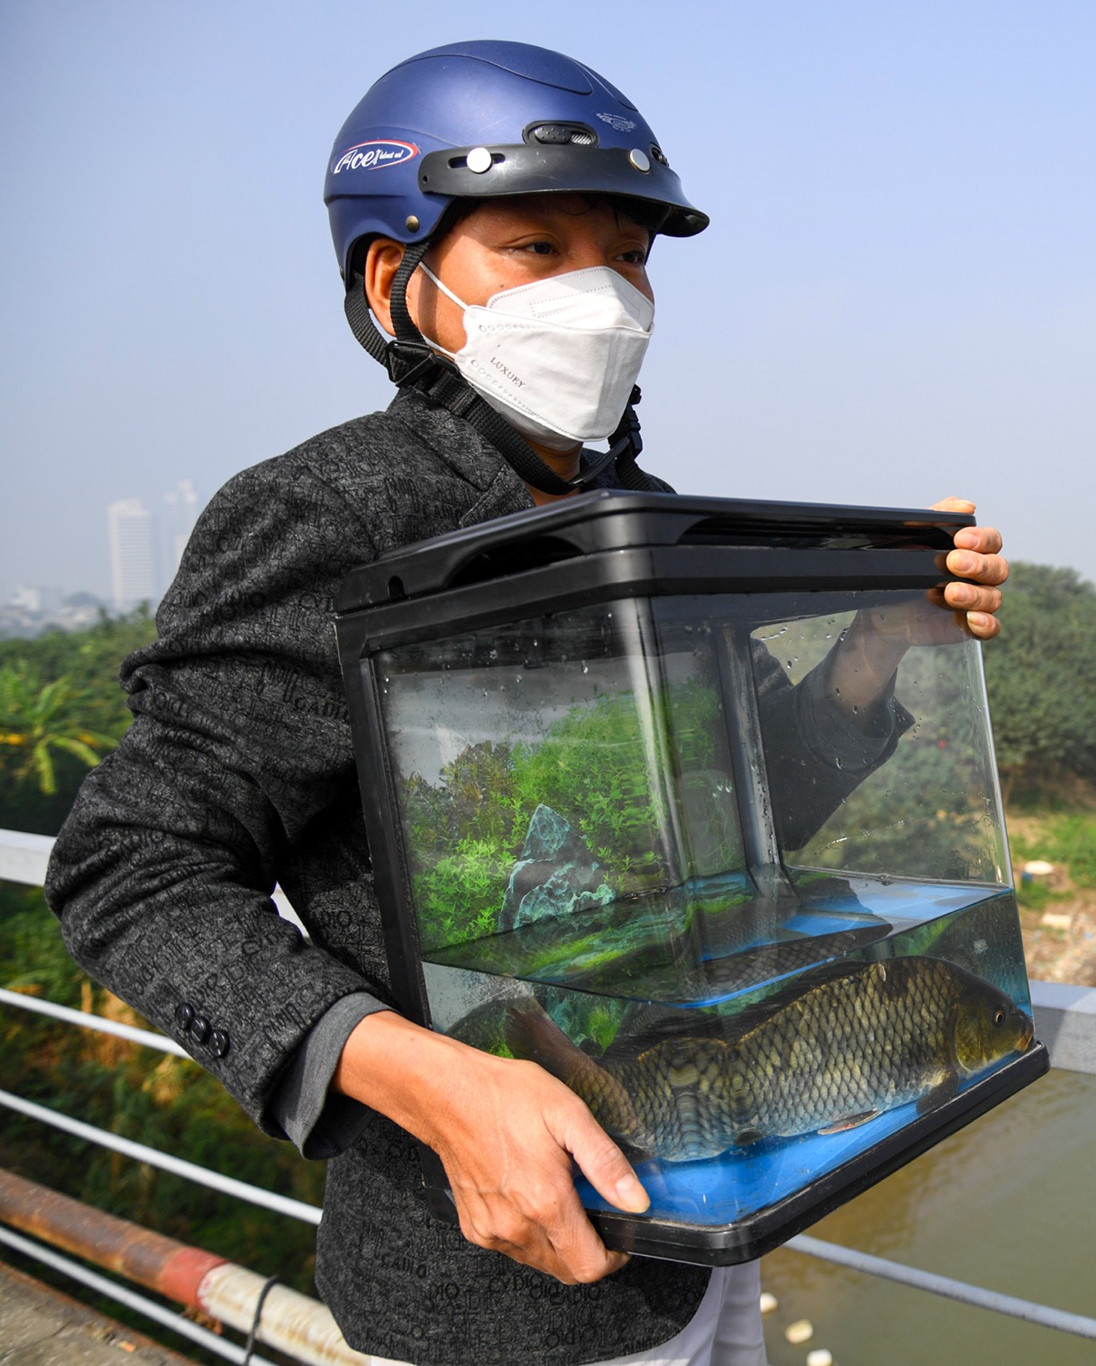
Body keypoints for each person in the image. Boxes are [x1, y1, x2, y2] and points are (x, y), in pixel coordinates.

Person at [44, 40, 1010, 1366]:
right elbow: (129, 866)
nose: (602, 296)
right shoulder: (328, 514)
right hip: (487, 1279)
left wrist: (873, 651)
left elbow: (737, 811)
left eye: (628, 255)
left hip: (704, 1214)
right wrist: (430, 1078)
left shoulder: (643, 523)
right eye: (538, 249)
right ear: (401, 278)